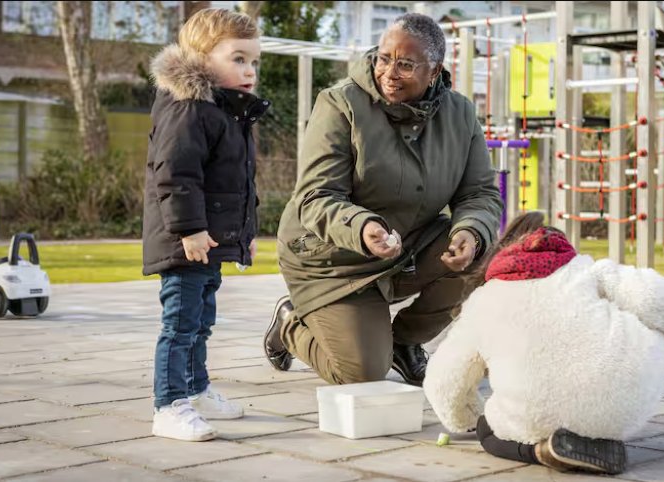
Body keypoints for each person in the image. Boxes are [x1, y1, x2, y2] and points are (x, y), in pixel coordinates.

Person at [263, 13, 502, 387]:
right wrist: (362, 227)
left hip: (405, 248)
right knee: (361, 373)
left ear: (435, 70)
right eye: (384, 58)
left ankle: (404, 344)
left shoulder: (461, 114)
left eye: (405, 64)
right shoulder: (340, 104)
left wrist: (471, 231)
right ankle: (290, 322)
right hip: (332, 259)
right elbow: (315, 196)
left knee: (484, 257)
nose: (389, 72)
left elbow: (479, 193)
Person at [423, 212, 664, 474]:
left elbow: (443, 379)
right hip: (620, 404)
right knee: (651, 319)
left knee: (487, 429)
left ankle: (542, 451)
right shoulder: (590, 270)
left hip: (534, 414)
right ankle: (595, 433)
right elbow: (663, 301)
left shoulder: (482, 302)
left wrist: (464, 419)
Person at [143, 9, 270, 441]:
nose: (249, 70)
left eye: (254, 61)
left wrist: (244, 238)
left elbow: (238, 185)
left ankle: (196, 389)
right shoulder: (188, 108)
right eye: (238, 59)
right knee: (179, 324)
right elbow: (175, 173)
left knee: (201, 321)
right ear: (201, 57)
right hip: (187, 242)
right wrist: (189, 230)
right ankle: (168, 404)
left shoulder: (227, 113)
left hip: (209, 241)